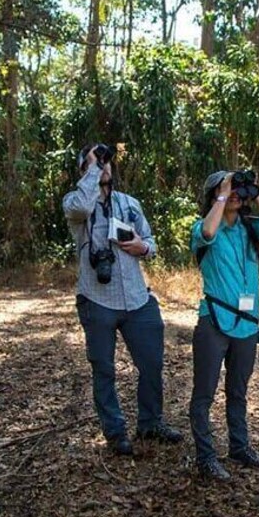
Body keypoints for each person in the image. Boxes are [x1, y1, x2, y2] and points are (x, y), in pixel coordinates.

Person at [63, 143, 183, 456]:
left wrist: (143, 247)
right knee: (104, 369)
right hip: (96, 299)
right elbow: (78, 208)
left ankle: (150, 422)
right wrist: (91, 169)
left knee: (152, 364)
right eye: (94, 163)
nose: (104, 167)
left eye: (106, 162)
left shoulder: (130, 204)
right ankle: (115, 433)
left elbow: (152, 243)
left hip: (137, 298)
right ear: (84, 170)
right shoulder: (77, 204)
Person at [189, 169, 259, 482]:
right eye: (224, 187)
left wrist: (256, 195)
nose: (232, 192)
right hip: (214, 322)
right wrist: (223, 193)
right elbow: (207, 233)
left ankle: (239, 447)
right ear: (212, 194)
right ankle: (205, 456)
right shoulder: (204, 227)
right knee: (204, 393)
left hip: (246, 325)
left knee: (238, 391)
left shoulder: (250, 228)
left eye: (235, 188)